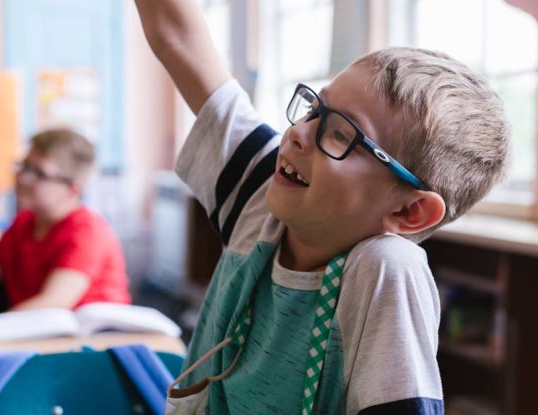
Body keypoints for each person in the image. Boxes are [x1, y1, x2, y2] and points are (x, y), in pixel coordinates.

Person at [134, 0, 510, 413]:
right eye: (315, 108)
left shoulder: (384, 268)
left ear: (409, 212)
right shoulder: (261, 199)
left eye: (341, 134)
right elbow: (177, 35)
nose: (297, 133)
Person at [0, 128, 131, 320]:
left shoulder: (87, 230)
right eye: (24, 166)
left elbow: (54, 302)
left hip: (94, 346)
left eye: (39, 173)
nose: (23, 178)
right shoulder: (22, 224)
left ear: (72, 189)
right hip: (36, 339)